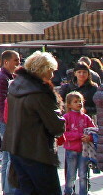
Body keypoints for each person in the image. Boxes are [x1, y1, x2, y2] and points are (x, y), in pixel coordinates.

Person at [5, 50, 65, 195]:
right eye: (51, 70)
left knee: (27, 189)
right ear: (43, 70)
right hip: (37, 151)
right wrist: (61, 117)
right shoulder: (39, 93)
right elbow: (56, 126)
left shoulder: (16, 86)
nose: (53, 75)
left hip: (16, 148)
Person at [61, 90, 90, 195]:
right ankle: (68, 192)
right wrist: (79, 136)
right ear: (69, 104)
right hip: (71, 149)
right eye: (75, 101)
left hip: (84, 150)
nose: (79, 103)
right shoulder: (66, 117)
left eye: (80, 101)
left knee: (83, 174)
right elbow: (64, 133)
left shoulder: (86, 117)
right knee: (71, 174)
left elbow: (93, 129)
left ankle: (83, 192)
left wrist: (89, 137)